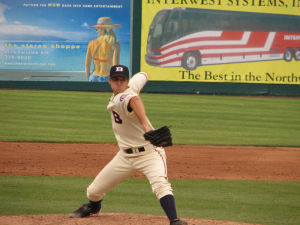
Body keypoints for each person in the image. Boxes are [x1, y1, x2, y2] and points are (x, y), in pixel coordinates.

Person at [70, 65, 188, 225]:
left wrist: (146, 126)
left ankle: (174, 220)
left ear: (127, 81)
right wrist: (138, 80)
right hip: (125, 157)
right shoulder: (130, 87)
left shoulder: (123, 97)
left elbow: (135, 99)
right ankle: (93, 207)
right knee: (93, 191)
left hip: (149, 153)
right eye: (116, 79)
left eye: (123, 79)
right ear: (110, 81)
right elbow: (143, 74)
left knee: (160, 184)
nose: (119, 82)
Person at [85, 17, 121, 82]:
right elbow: (115, 66)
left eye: (97, 29)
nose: (97, 31)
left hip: (93, 77)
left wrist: (88, 78)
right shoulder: (115, 45)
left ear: (101, 29)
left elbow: (87, 65)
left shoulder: (91, 43)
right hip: (107, 78)